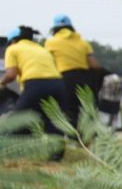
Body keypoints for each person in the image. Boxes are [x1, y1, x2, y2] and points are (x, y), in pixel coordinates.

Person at [3, 27, 72, 157]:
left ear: (13, 41)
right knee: (53, 119)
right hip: (58, 84)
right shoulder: (42, 49)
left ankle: (8, 151)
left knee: (18, 120)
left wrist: (2, 83)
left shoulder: (13, 49)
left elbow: (11, 75)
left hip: (36, 84)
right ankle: (56, 155)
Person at [45, 16, 100, 131]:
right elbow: (94, 65)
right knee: (87, 109)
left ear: (54, 29)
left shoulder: (50, 43)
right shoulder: (83, 42)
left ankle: (75, 138)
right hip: (85, 78)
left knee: (70, 110)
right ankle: (92, 137)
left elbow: (49, 63)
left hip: (65, 79)